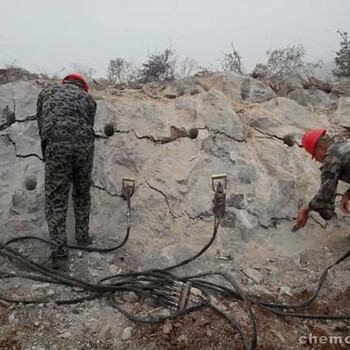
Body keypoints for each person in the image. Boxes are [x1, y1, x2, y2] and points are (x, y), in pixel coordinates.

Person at [36, 73, 97, 268]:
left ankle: (60, 257)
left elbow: (42, 123)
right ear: (83, 87)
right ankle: (83, 237)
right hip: (83, 145)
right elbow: (89, 124)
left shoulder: (47, 92)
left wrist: (47, 150)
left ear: (65, 82)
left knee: (56, 199)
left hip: (58, 142)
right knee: (81, 192)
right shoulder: (89, 99)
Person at [295, 128, 350, 229]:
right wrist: (348, 194)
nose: (316, 159)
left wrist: (307, 209)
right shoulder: (343, 146)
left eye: (314, 154)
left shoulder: (331, 156)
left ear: (321, 147)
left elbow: (327, 189)